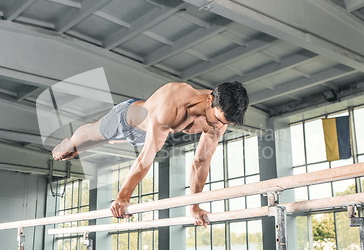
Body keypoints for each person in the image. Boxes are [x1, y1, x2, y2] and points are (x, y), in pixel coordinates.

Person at [52, 82, 249, 227]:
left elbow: (201, 161)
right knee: (92, 135)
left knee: (104, 142)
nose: (218, 126)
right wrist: (123, 196)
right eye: (218, 119)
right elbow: (146, 156)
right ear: (210, 99)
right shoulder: (174, 104)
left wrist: (194, 206)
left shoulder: (220, 122)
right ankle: (70, 143)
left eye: (224, 123)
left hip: (146, 135)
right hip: (126, 121)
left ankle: (85, 146)